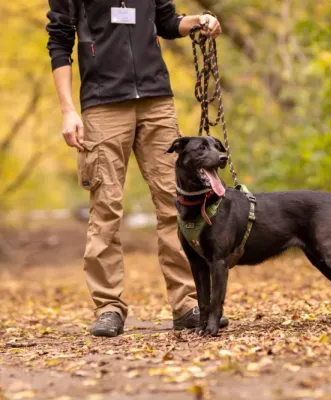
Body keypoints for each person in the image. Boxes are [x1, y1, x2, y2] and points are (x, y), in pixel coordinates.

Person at [46, 0, 227, 337]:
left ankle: (188, 303)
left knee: (178, 204)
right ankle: (108, 307)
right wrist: (68, 110)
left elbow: (167, 22)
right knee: (106, 210)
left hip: (157, 101)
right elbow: (59, 40)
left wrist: (199, 21)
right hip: (102, 104)